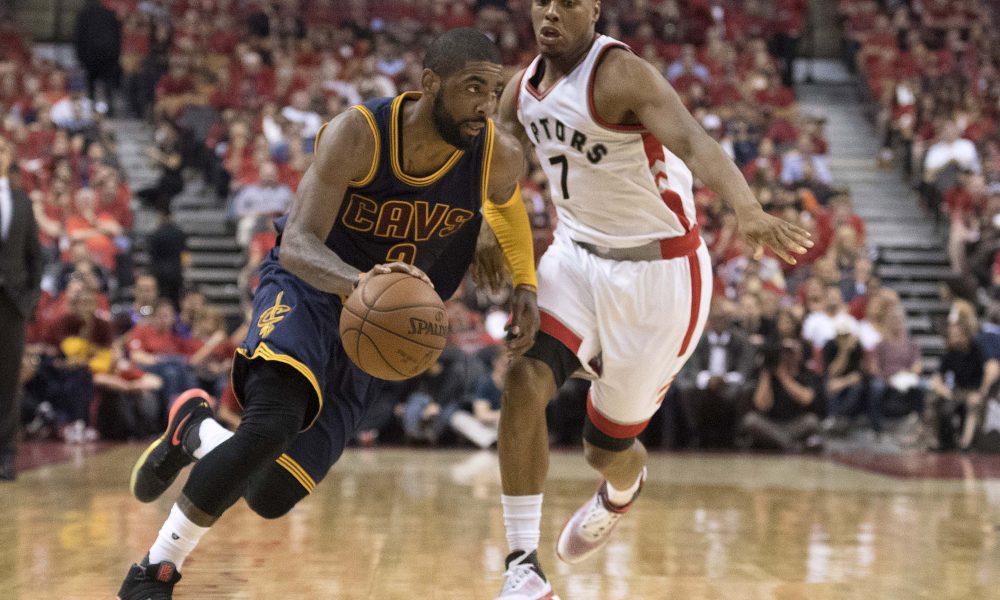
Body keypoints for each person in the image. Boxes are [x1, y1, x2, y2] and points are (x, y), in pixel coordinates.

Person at [115, 28, 540, 599]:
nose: (486, 105)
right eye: (472, 88)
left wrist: (518, 275)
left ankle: (195, 431)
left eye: (494, 90)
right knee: (271, 424)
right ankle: (155, 569)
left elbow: (506, 204)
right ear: (430, 84)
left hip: (379, 329)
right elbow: (298, 243)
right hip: (311, 289)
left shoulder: (496, 154)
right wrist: (361, 286)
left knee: (270, 493)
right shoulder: (359, 134)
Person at [492, 3, 813, 598]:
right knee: (522, 379)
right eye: (542, 0)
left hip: (660, 274)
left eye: (568, 1)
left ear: (594, 8)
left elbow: (691, 139)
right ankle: (522, 566)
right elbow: (494, 168)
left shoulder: (619, 74)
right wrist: (487, 231)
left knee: (604, 449)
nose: (551, 12)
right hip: (574, 256)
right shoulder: (519, 92)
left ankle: (621, 491)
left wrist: (747, 209)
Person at [0, 138, 42, 481]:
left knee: (8, 380)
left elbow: (34, 258)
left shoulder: (22, 202)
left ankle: (5, 455)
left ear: (10, 157)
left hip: (11, 304)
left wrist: (28, 301)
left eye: (1, 148)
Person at [72, 0, 122, 114]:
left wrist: (80, 56)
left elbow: (78, 36)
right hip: (108, 55)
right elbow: (117, 36)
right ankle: (110, 108)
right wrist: (116, 54)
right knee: (108, 83)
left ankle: (92, 108)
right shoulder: (109, 14)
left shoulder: (83, 15)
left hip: (90, 56)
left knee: (91, 83)